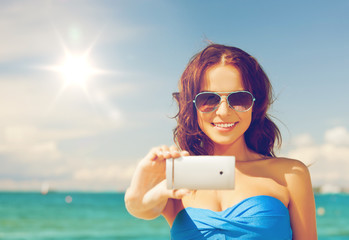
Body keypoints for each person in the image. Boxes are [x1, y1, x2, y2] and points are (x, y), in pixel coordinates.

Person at [124, 44, 317, 239]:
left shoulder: (289, 175)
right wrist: (143, 180)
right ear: (192, 106)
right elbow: (140, 208)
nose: (224, 112)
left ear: (255, 104)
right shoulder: (182, 173)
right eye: (208, 98)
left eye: (239, 98)